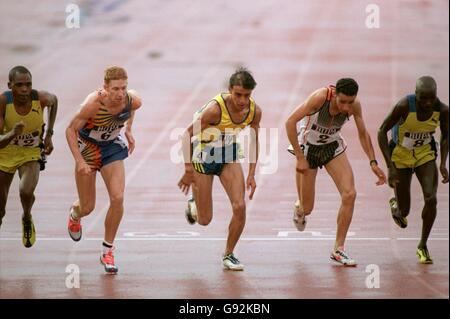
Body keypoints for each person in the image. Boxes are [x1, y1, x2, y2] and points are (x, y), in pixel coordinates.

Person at [285, 78, 386, 266]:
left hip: (332, 147)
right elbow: (290, 122)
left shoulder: (355, 106)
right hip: (308, 149)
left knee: (350, 194)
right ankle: (299, 208)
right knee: (307, 208)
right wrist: (299, 157)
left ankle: (338, 249)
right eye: (342, 102)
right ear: (335, 95)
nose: (346, 108)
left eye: (350, 102)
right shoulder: (320, 98)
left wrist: (373, 162)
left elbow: (363, 133)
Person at [177, 68, 262, 271]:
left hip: (228, 154)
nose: (242, 100)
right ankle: (194, 202)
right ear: (230, 90)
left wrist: (251, 173)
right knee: (205, 220)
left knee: (239, 206)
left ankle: (229, 254)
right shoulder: (215, 110)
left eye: (247, 95)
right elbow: (186, 135)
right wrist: (188, 169)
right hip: (203, 155)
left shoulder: (254, 111)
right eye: (238, 94)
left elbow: (253, 139)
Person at [66, 66, 141, 274]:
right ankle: (74, 213)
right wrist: (80, 161)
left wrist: (129, 130)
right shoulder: (93, 104)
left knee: (117, 198)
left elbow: (131, 110)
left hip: (111, 149)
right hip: (88, 149)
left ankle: (107, 250)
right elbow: (70, 130)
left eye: (123, 88)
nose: (119, 94)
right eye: (115, 89)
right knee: (88, 207)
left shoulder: (132, 100)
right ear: (105, 88)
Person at [378, 76, 448, 264]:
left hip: (425, 155)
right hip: (400, 155)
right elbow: (381, 131)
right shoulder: (404, 106)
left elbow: (446, 136)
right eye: (422, 98)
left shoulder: (442, 110)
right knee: (405, 212)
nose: (427, 103)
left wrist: (442, 164)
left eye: (431, 98)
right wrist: (390, 167)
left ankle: (423, 245)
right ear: (415, 95)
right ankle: (397, 207)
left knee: (431, 198)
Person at [0, 65, 58, 248]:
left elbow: (55, 101)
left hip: (30, 154)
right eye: (19, 85)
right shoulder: (3, 103)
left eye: (28, 84)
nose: (25, 89)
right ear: (10, 85)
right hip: (5, 154)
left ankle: (26, 216)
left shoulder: (40, 99)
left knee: (25, 191)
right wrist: (12, 134)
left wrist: (49, 133)